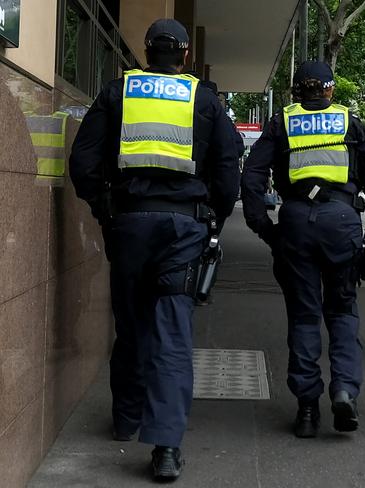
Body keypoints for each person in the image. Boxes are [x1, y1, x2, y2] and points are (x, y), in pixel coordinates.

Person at [70, 19, 240, 481]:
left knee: (130, 323)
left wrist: (104, 206)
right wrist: (216, 217)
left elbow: (82, 161)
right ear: (184, 55)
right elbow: (228, 168)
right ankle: (165, 446)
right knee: (172, 332)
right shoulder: (203, 98)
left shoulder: (117, 90)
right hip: (184, 225)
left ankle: (126, 420)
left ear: (146, 52)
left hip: (129, 222)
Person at [241, 61, 365, 438]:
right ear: (330, 91)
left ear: (297, 92)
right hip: (342, 221)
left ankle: (308, 409)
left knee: (304, 316)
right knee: (343, 311)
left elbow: (252, 177)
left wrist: (264, 227)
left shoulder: (282, 122)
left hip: (296, 222)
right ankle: (344, 389)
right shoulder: (350, 122)